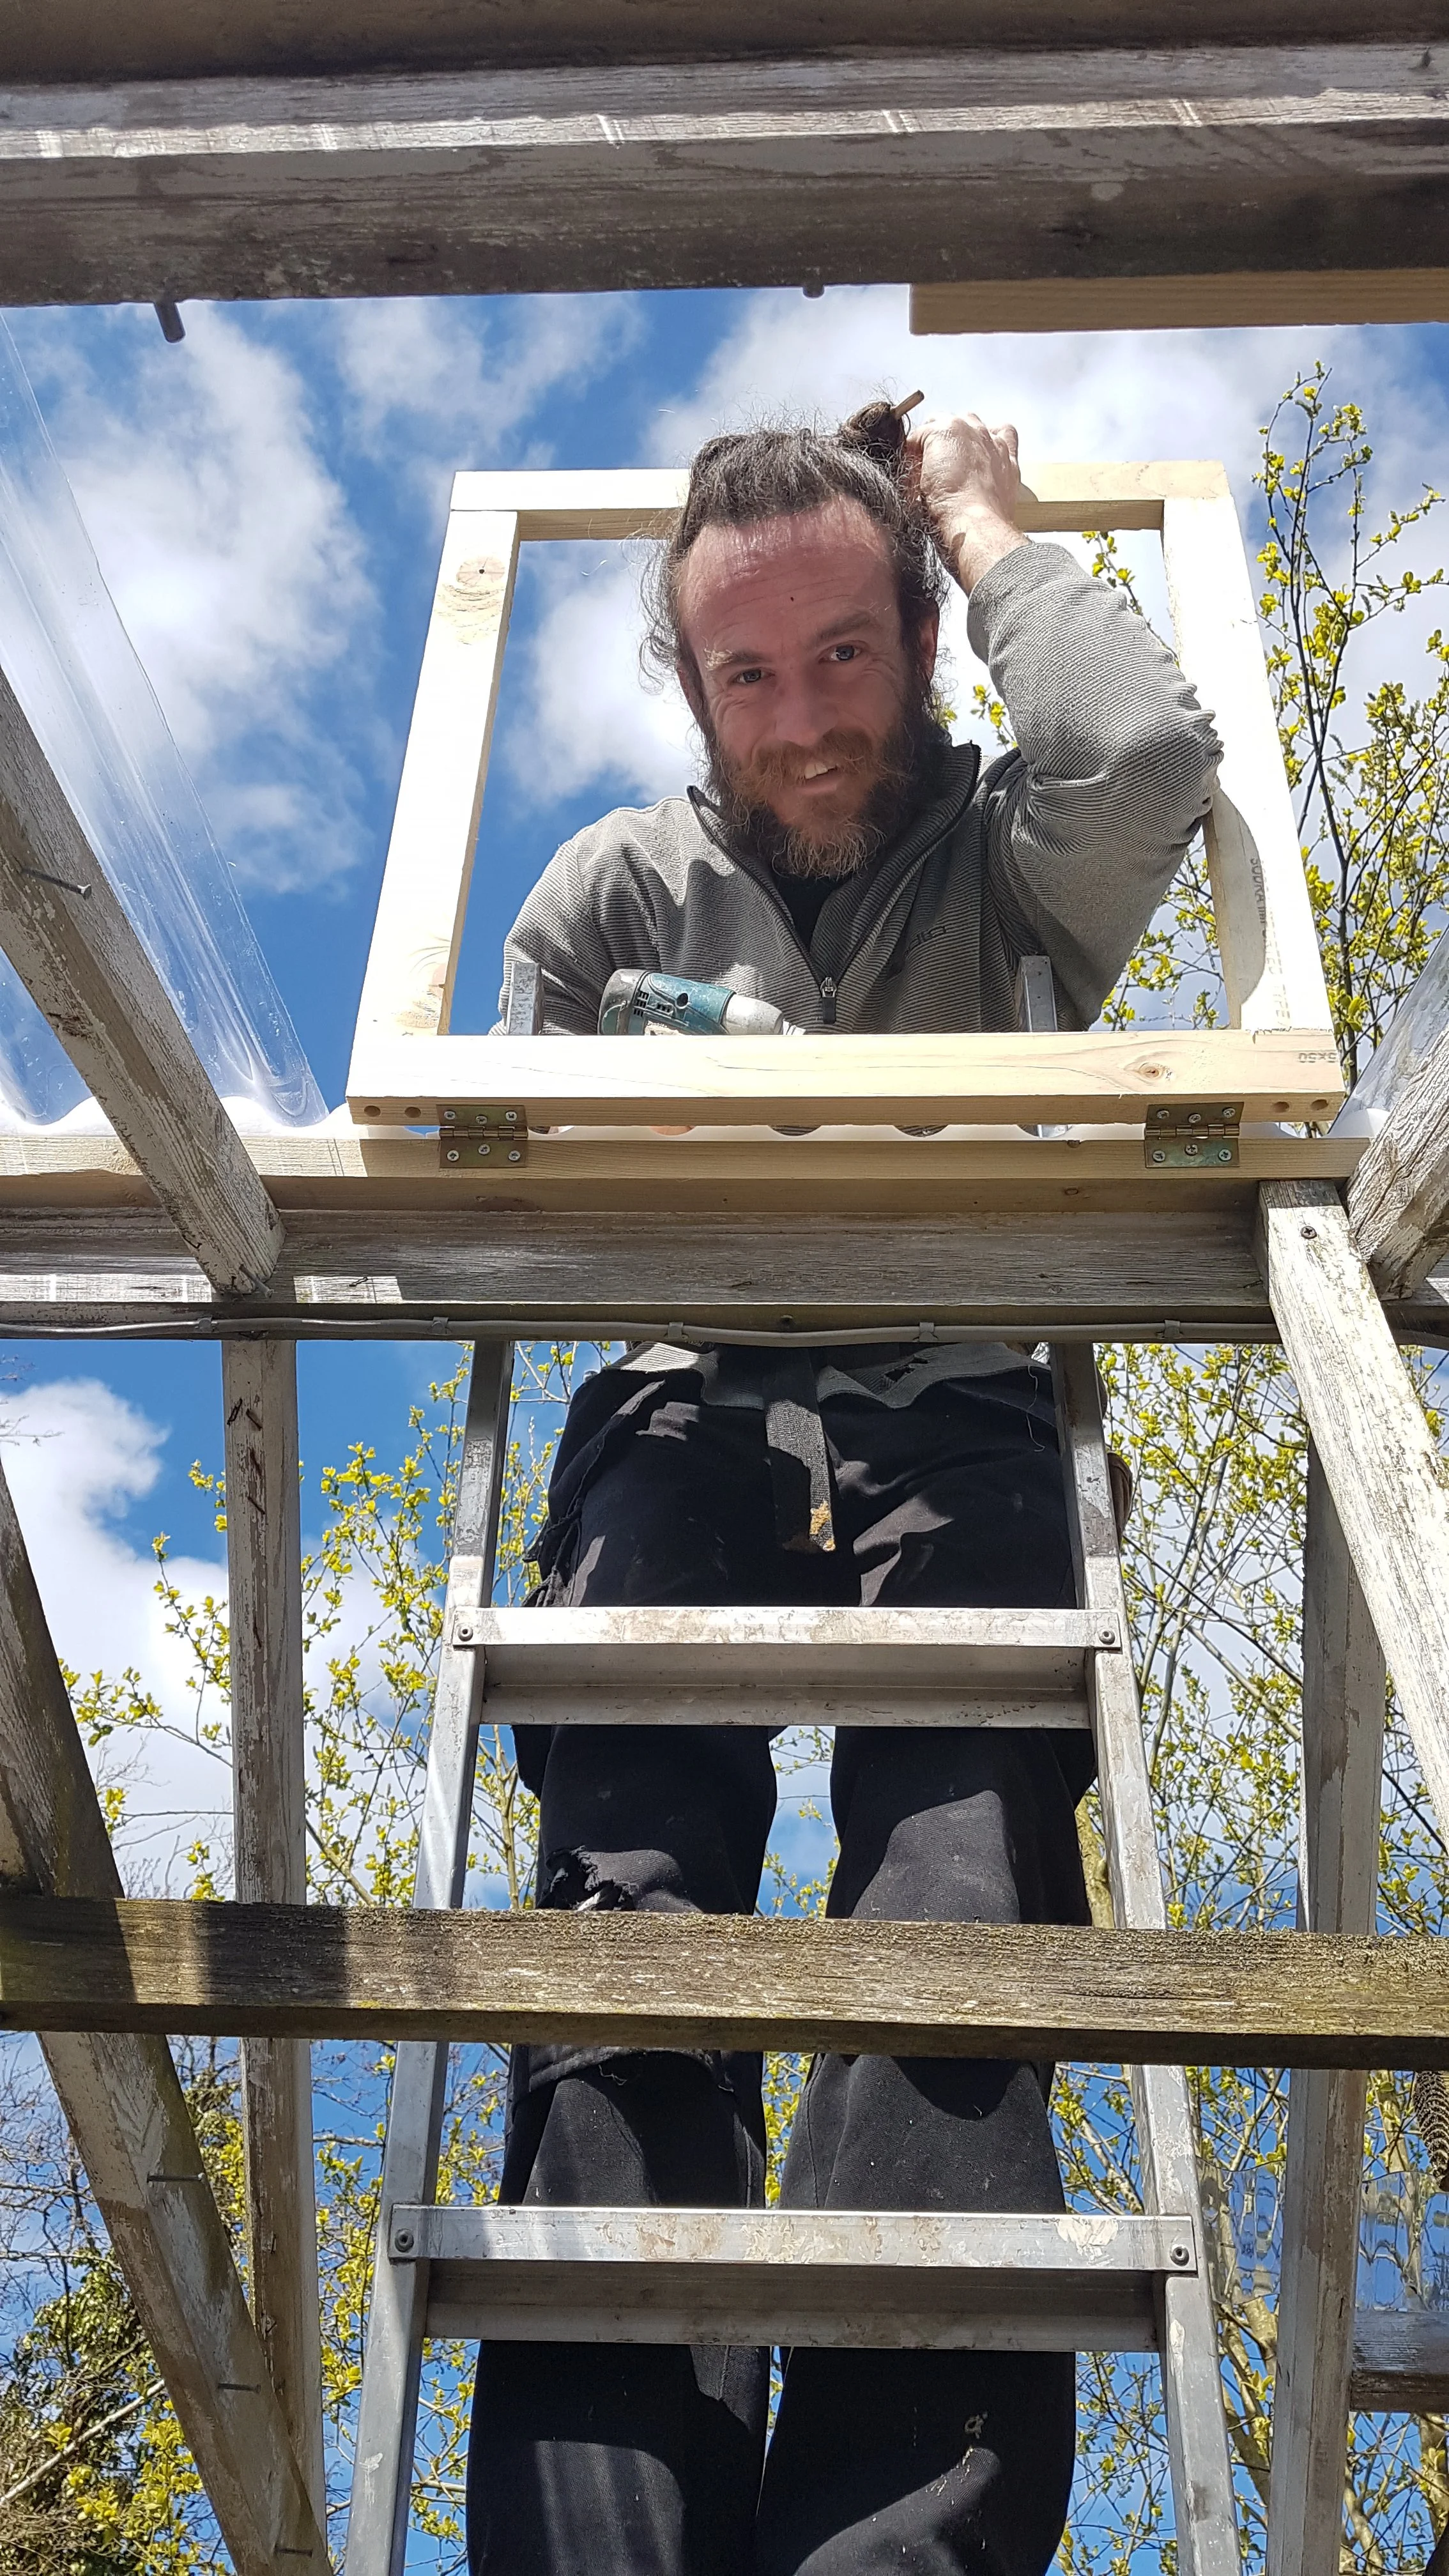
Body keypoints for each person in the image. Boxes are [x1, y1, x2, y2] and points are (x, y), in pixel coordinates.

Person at [465, 402, 1221, 2576]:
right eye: (747, 674)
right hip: (681, 1395)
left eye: (847, 653)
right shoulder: (613, 889)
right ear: (690, 691)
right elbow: (515, 1169)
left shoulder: (1008, 859)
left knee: (961, 1905)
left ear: (921, 633)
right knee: (624, 1913)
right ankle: (606, 2539)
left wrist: (986, 518)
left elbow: (1147, 759)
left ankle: (892, 2551)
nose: (802, 719)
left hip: (957, 1387)